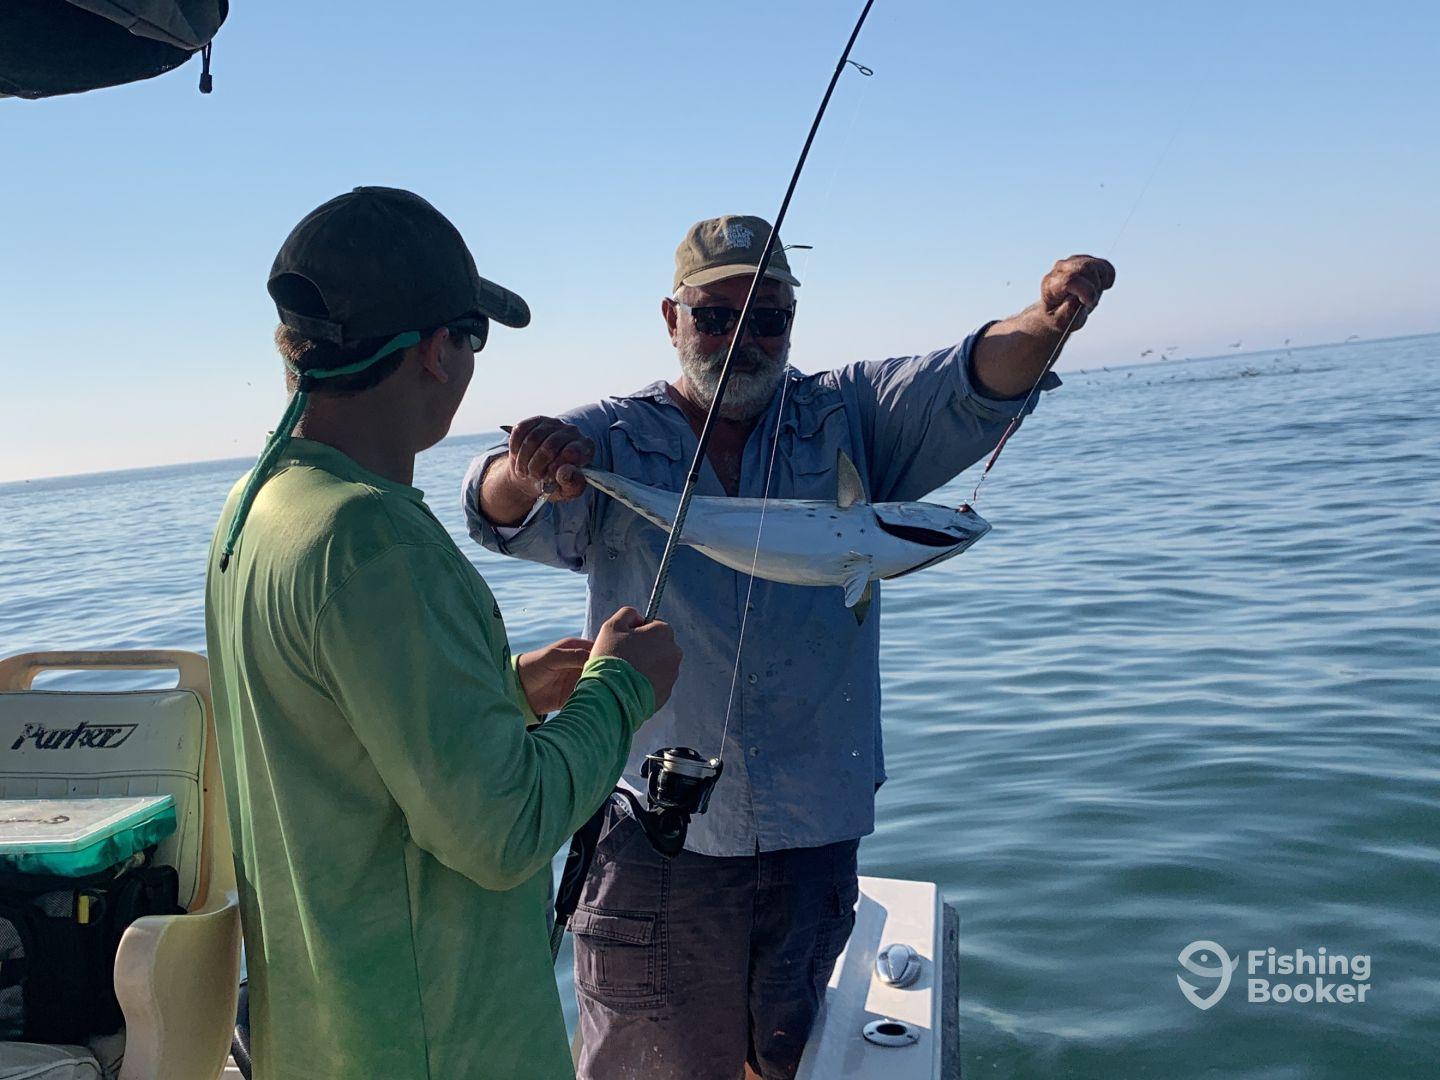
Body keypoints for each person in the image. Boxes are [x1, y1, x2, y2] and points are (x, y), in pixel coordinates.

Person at [463, 213, 1115, 1080]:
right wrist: (525, 467)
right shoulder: (615, 439)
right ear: (672, 319)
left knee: (785, 1057)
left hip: (814, 822)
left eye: (767, 316)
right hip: (660, 835)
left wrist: (1046, 319)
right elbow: (493, 513)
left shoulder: (850, 417)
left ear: (792, 324)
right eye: (715, 315)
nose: (743, 338)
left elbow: (968, 381)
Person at [205, 186, 683, 1080]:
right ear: (437, 349)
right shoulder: (373, 539)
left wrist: (501, 687)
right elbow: (502, 830)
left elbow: (335, 728)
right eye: (473, 338)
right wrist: (619, 688)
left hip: (322, 1035)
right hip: (435, 1048)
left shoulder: (258, 509)